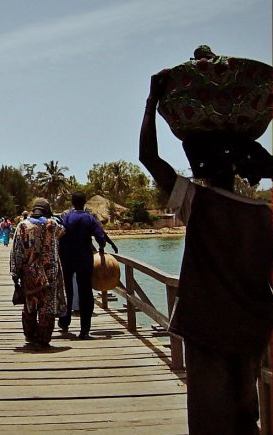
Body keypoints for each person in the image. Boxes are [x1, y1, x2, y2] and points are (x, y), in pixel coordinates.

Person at [140, 63, 273, 434]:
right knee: (246, 414)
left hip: (207, 329)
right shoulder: (264, 215)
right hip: (251, 331)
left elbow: (149, 158)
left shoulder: (197, 200)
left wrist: (151, 102)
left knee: (208, 418)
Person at [10, 198, 66, 347]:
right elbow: (63, 231)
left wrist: (15, 274)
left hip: (29, 273)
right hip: (50, 273)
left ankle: (30, 333)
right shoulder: (52, 225)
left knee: (30, 304)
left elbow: (16, 251)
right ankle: (43, 338)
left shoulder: (22, 225)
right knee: (47, 306)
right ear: (47, 211)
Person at [57, 191, 106, 339]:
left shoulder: (65, 218)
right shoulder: (90, 219)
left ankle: (65, 322)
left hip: (67, 259)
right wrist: (102, 249)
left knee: (68, 291)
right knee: (85, 293)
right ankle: (84, 329)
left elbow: (58, 236)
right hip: (84, 259)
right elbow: (100, 237)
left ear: (72, 203)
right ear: (85, 202)